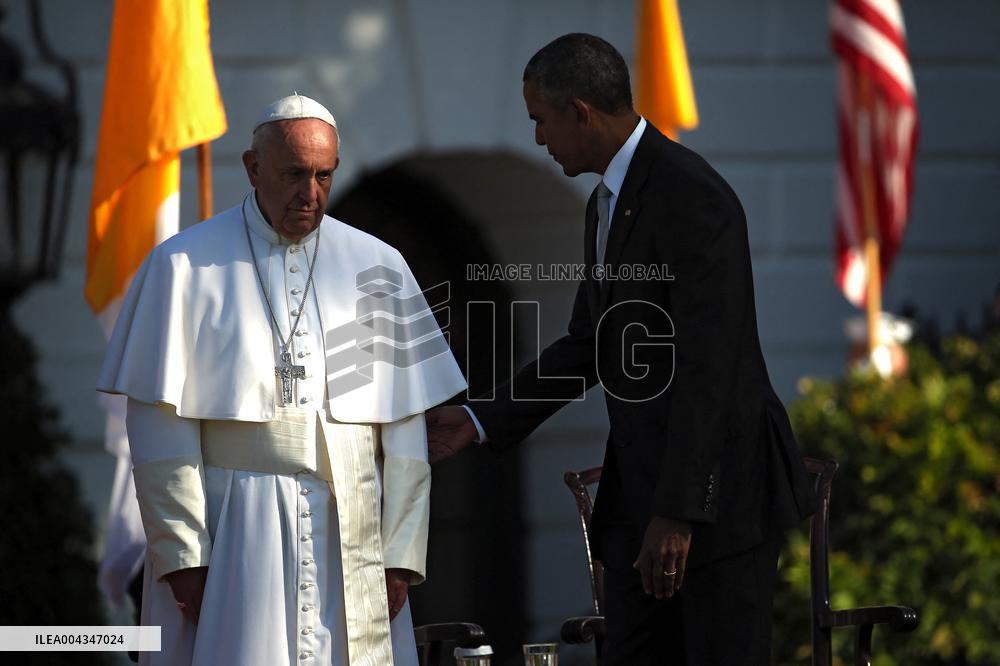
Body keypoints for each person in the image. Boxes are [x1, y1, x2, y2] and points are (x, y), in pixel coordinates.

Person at [427, 34, 817, 665]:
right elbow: (590, 344)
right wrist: (479, 420)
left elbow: (708, 365)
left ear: (580, 112)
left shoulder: (692, 196)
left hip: (715, 505)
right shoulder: (608, 200)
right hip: (644, 502)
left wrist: (678, 513)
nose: (537, 139)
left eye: (541, 120)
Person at [98, 94, 467, 666]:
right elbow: (159, 429)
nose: (311, 193)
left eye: (324, 176)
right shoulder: (183, 266)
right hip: (236, 528)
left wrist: (400, 553)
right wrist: (184, 556)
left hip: (353, 526)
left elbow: (404, 431)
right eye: (295, 174)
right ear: (253, 168)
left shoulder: (379, 265)